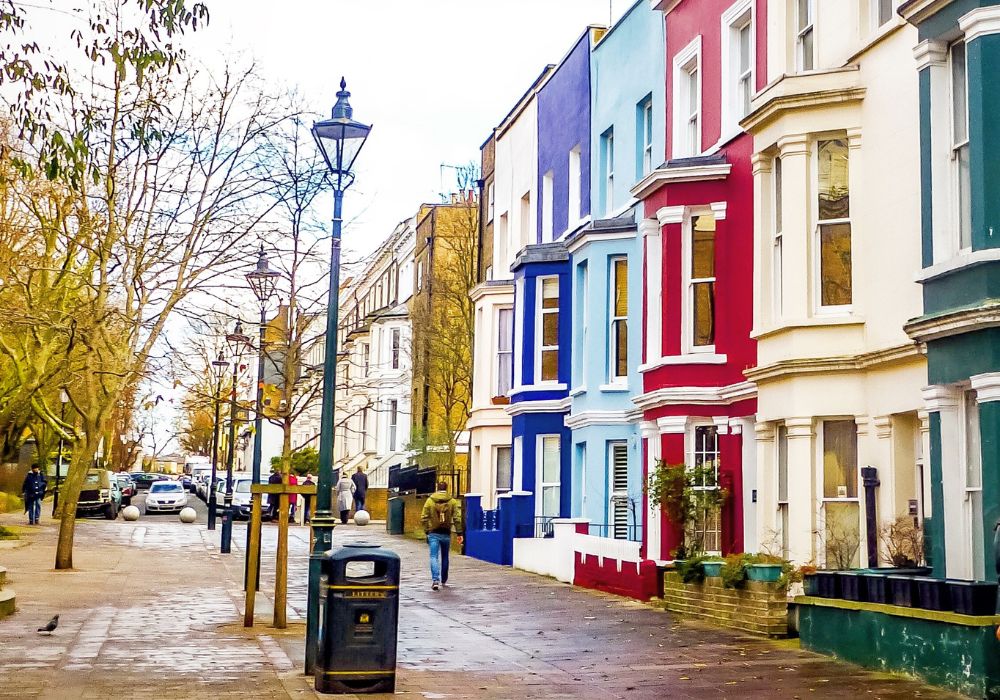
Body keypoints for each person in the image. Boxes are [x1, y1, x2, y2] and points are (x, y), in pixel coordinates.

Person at [420, 481, 463, 591]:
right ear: (446, 488)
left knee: (434, 557)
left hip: (433, 533)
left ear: (437, 488)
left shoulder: (430, 501)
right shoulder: (452, 501)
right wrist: (459, 533)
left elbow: (424, 517)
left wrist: (427, 531)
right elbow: (457, 518)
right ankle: (444, 579)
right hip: (446, 533)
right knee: (445, 557)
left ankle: (435, 580)